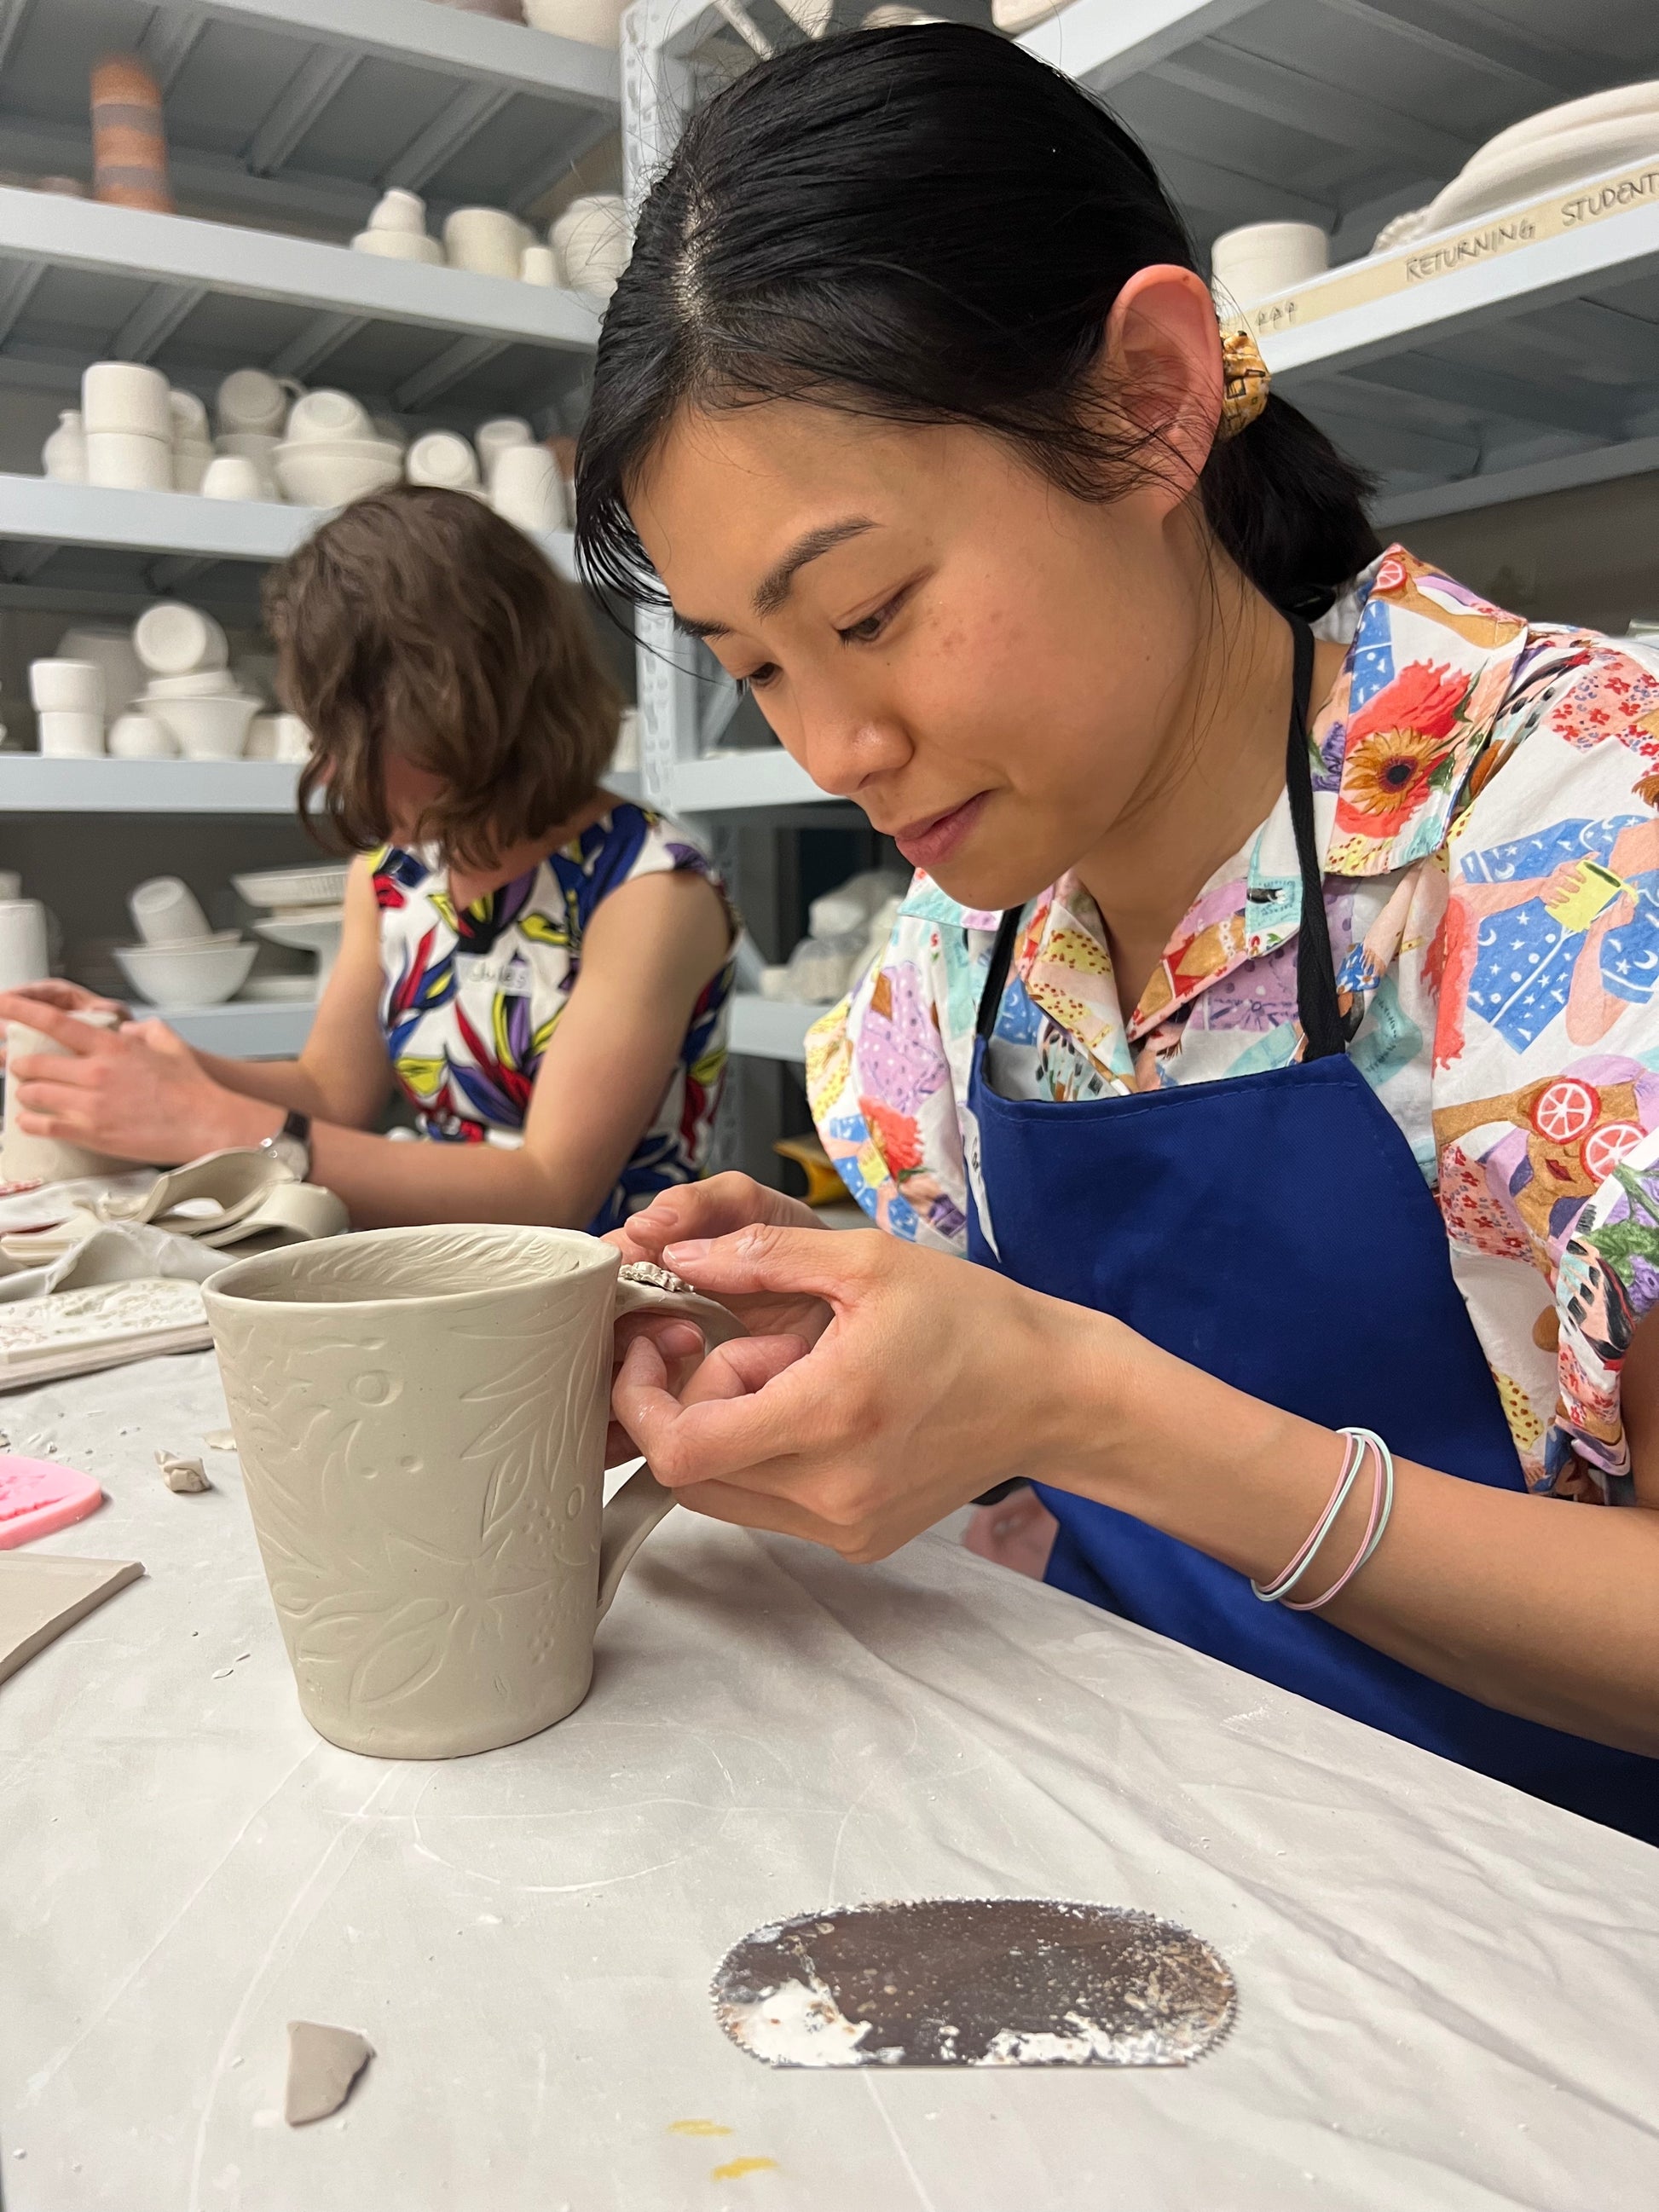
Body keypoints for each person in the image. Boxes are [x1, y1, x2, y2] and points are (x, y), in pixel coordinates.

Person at [581, 26, 1659, 1841]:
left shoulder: (1569, 838)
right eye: (759, 666)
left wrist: (1086, 1400)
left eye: (867, 607)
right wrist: (830, 1334)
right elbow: (995, 1422)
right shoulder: (966, 948)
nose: (836, 748)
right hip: (1138, 1841)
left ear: (1151, 398)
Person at [0, 487, 734, 1233]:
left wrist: (216, 1122)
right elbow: (329, 1087)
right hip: (443, 1275)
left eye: (346, 738)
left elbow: (548, 1188)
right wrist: (149, 1054)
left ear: (460, 706)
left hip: (619, 1302)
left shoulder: (648, 891)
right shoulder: (393, 880)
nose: (327, 774)